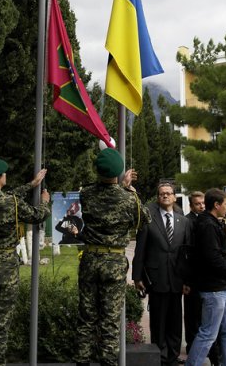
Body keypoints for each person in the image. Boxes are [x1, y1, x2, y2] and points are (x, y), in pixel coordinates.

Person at [0, 158, 51, 366]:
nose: (6, 175)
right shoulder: (11, 203)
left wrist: (30, 185)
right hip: (3, 268)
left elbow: (7, 197)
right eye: (4, 173)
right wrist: (45, 201)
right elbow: (36, 215)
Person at [75, 148, 151, 366]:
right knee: (110, 320)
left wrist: (121, 185)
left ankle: (82, 361)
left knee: (86, 318)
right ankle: (108, 362)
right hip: (114, 263)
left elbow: (103, 192)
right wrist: (130, 190)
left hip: (90, 259)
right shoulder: (128, 199)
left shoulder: (85, 194)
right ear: (119, 173)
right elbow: (145, 219)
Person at [133, 182, 192, 366]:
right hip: (156, 279)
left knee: (175, 321)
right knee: (158, 321)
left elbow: (186, 254)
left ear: (175, 197)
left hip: (177, 279)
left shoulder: (184, 221)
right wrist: (137, 276)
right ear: (158, 198)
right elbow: (140, 249)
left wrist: (187, 280)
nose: (165, 196)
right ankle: (159, 356)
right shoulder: (149, 219)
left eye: (168, 193)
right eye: (161, 194)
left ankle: (173, 357)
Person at [186, 188, 226, 366]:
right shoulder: (207, 225)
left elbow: (217, 253)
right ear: (216, 205)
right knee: (208, 333)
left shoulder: (213, 222)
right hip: (213, 289)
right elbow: (212, 258)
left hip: (222, 286)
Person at [183, 192, 221, 366]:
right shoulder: (188, 222)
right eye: (197, 204)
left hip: (207, 278)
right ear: (191, 206)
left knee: (209, 320)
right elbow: (186, 253)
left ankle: (214, 355)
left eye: (203, 203)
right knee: (193, 316)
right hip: (193, 277)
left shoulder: (210, 220)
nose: (201, 206)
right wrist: (187, 280)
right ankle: (193, 351)